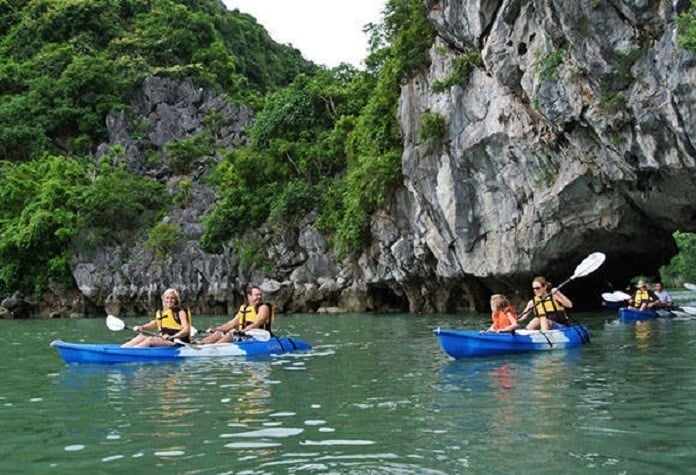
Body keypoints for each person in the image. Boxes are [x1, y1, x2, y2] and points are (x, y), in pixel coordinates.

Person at [197, 285, 274, 344]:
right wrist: (216, 329)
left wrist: (241, 331)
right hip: (244, 335)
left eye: (260, 295)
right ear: (249, 296)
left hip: (260, 336)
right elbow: (231, 324)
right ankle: (200, 345)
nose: (259, 297)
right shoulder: (243, 308)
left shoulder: (263, 307)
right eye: (256, 295)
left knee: (231, 334)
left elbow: (257, 323)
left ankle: (212, 349)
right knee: (218, 333)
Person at [121, 288, 191, 347]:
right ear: (163, 299)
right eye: (167, 298)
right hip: (165, 340)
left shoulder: (180, 312)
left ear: (176, 300)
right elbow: (155, 323)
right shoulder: (161, 312)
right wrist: (141, 328)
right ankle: (122, 349)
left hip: (178, 342)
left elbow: (186, 330)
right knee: (141, 337)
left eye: (172, 298)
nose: (169, 300)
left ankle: (133, 352)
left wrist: (173, 337)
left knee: (151, 340)